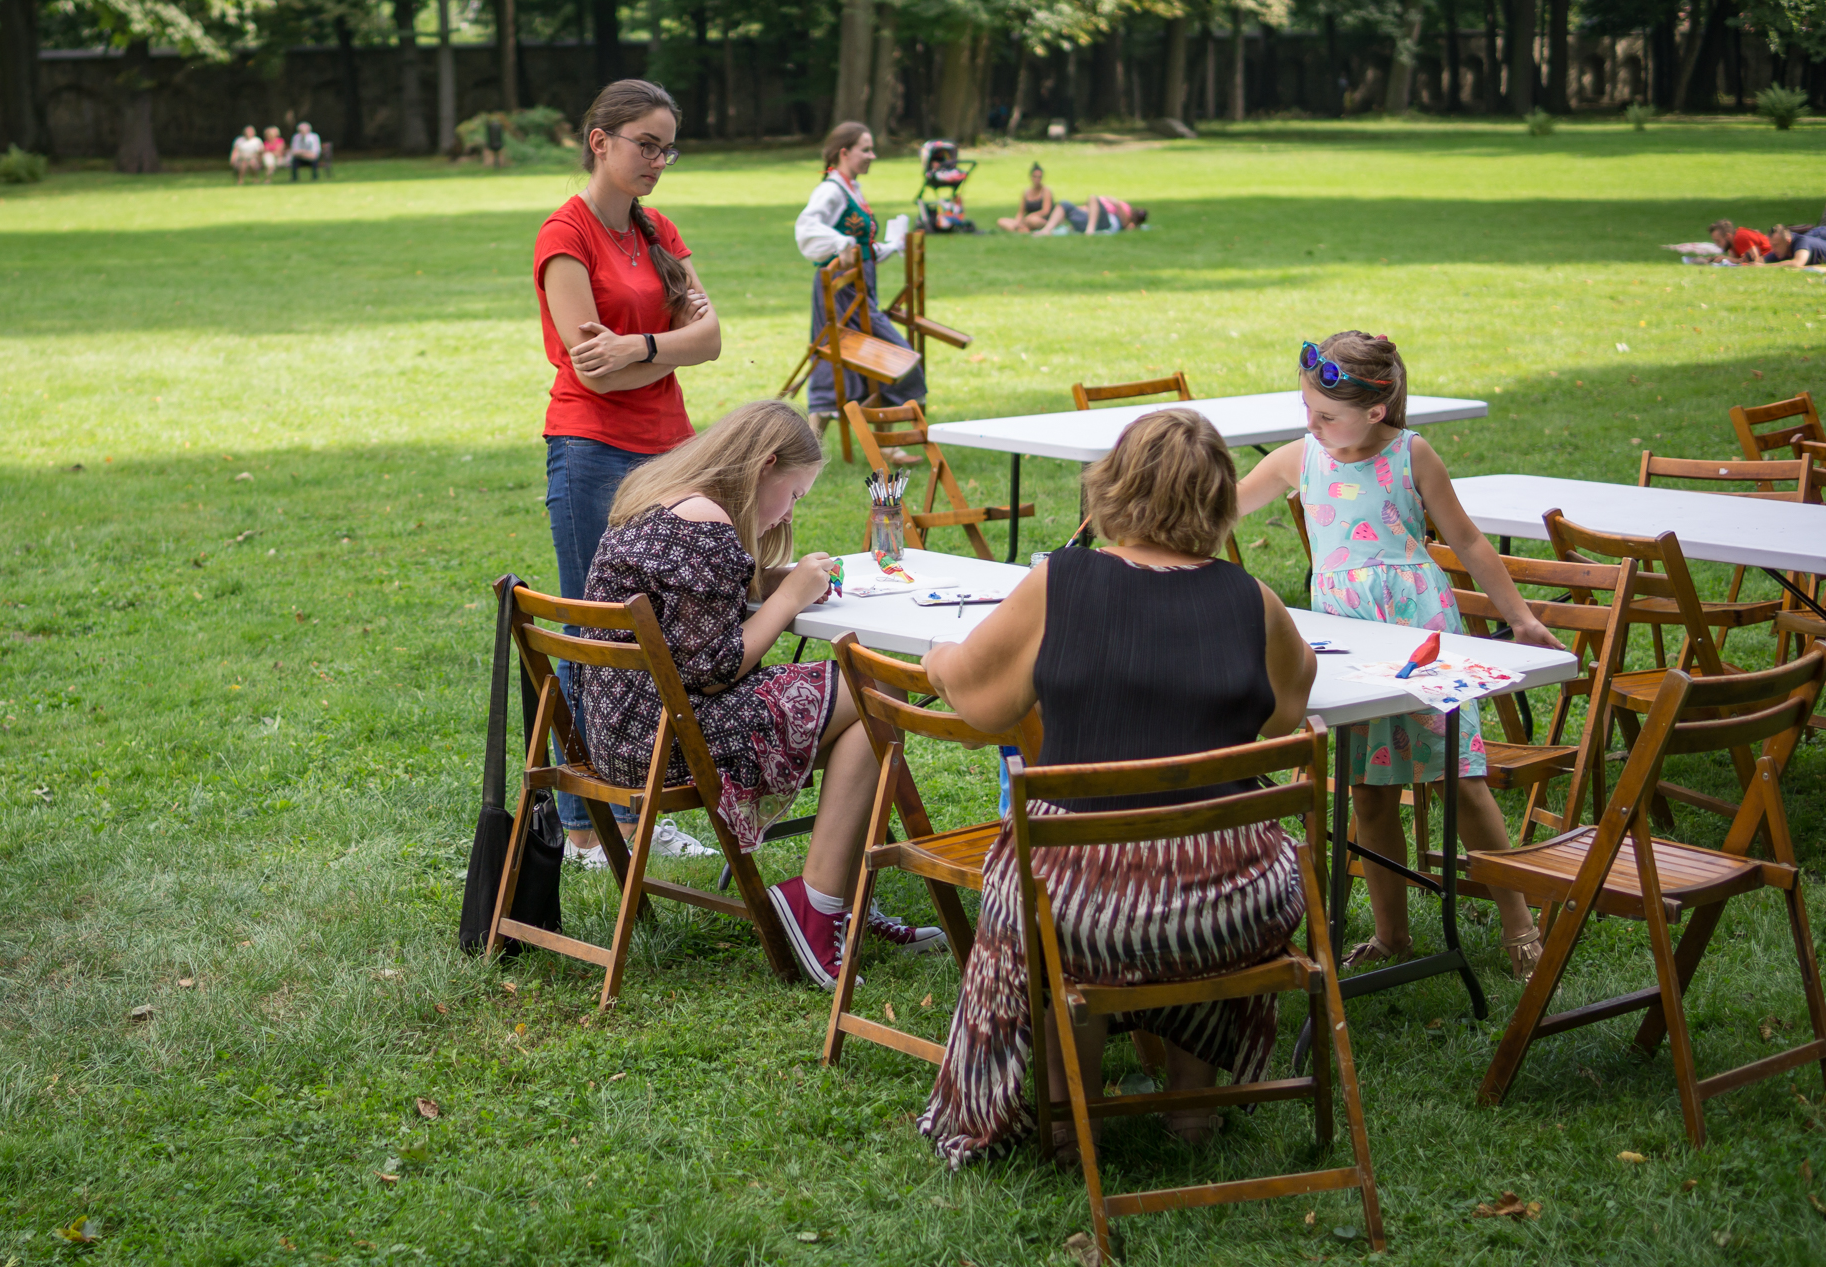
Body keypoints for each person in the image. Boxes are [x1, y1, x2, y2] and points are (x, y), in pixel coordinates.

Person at [915, 409, 1318, 1165]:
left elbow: (981, 703)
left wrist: (940, 657)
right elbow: (1289, 710)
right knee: (1197, 855)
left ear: (1114, 488)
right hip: (1233, 903)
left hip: (1082, 911)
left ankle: (1070, 1117)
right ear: (1219, 501)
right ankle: (1193, 1110)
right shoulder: (1252, 599)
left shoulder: (1061, 582)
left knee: (1054, 891)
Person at [578, 400, 945, 985]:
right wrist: (790, 596)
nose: (790, 512)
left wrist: (768, 582)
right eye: (794, 494)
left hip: (619, 731)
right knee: (874, 691)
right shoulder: (705, 524)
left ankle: (839, 901)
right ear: (765, 465)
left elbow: (690, 615)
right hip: (665, 739)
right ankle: (819, 903)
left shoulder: (665, 497)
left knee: (865, 717)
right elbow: (714, 668)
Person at [1235, 331, 1565, 983]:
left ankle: (1519, 925)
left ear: (1376, 410)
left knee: (1459, 777)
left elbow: (1468, 541)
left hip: (1420, 632)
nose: (1313, 425)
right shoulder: (1299, 458)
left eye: (1326, 415)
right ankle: (1392, 934)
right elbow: (1222, 507)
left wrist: (1521, 619)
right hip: (1347, 641)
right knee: (1368, 790)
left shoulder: (1412, 455)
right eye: (1308, 410)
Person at [536, 78, 721, 867]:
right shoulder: (564, 234)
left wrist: (641, 346)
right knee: (596, 627)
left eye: (668, 149)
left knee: (664, 625)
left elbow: (711, 340)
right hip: (593, 451)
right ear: (600, 140)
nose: (657, 161)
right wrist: (668, 346)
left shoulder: (658, 229)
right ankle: (585, 824)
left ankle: (642, 800)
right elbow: (594, 372)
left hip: (673, 451)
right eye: (647, 144)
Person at [795, 121, 927, 460]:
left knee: (853, 366)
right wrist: (840, 244)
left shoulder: (850, 188)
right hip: (841, 295)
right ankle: (810, 452)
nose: (872, 155)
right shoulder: (831, 190)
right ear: (844, 152)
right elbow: (807, 227)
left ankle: (879, 445)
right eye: (865, 149)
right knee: (887, 358)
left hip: (860, 292)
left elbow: (861, 247)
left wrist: (889, 247)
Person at [1036, 195, 1147, 236]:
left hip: (1107, 222)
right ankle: (1046, 230)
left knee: (1093, 197)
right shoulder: (1122, 207)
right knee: (1064, 204)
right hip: (1090, 216)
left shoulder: (1125, 213)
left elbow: (1125, 223)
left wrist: (1116, 203)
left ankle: (1090, 230)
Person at [996, 163, 1055, 233]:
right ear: (1031, 177)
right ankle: (1022, 230)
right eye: (1035, 177)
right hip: (1026, 221)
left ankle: (1021, 231)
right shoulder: (1026, 192)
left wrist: (1031, 216)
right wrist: (1017, 222)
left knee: (1034, 220)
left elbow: (1045, 211)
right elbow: (1021, 212)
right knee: (1001, 221)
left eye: (1039, 177)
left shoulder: (1046, 191)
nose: (1037, 179)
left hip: (1040, 220)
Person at [1762, 224, 1826, 268]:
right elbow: (1761, 262)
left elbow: (1797, 263)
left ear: (1788, 241)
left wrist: (1766, 266)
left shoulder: (1802, 242)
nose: (1773, 250)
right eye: (1772, 246)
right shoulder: (1782, 249)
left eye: (1776, 245)